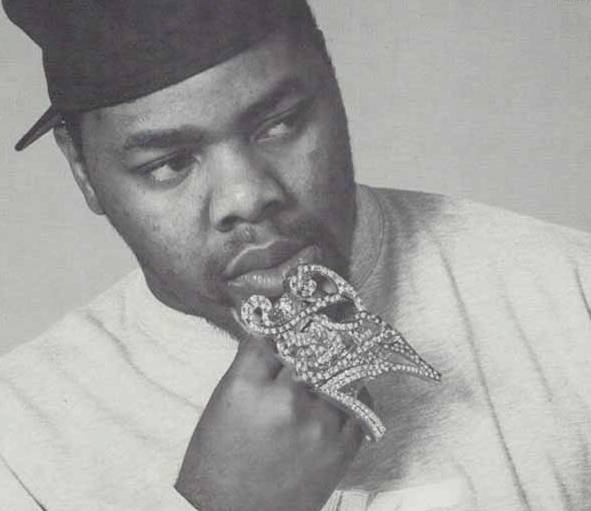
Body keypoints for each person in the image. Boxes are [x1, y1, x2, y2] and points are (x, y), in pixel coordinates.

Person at [1, 1, 590, 510]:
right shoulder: (20, 441)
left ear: (332, 80)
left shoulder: (571, 292)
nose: (246, 196)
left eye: (279, 125)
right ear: (83, 171)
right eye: (170, 164)